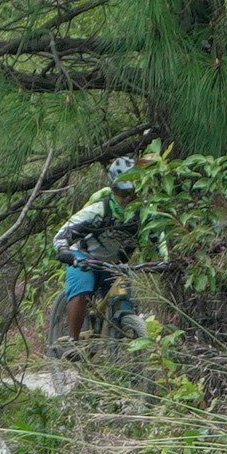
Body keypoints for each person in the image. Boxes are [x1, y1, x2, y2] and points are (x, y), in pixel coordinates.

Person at [47, 150, 149, 350]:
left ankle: (120, 356)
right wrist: (64, 251)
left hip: (114, 264)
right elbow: (63, 233)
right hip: (84, 257)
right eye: (122, 192)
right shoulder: (99, 211)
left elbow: (159, 239)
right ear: (113, 189)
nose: (127, 198)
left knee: (125, 303)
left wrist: (167, 260)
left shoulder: (143, 214)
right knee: (82, 285)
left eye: (132, 193)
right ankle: (74, 342)